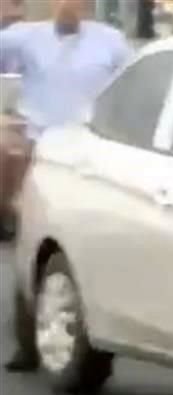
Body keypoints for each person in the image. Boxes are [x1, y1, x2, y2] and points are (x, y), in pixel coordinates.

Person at [0, 0, 131, 373]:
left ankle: (97, 339)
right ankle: (28, 345)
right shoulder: (26, 39)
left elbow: (135, 89)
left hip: (94, 155)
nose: (68, 6)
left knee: (89, 245)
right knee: (32, 244)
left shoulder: (112, 43)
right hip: (42, 151)